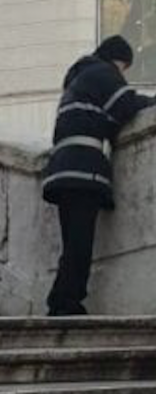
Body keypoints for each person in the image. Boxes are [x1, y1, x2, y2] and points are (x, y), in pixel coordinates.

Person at [42, 35, 155, 316]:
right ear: (117, 59)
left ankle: (60, 299)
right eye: (123, 67)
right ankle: (66, 304)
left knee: (72, 242)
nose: (122, 74)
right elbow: (127, 105)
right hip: (83, 170)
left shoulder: (79, 80)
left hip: (64, 169)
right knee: (80, 243)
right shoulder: (102, 73)